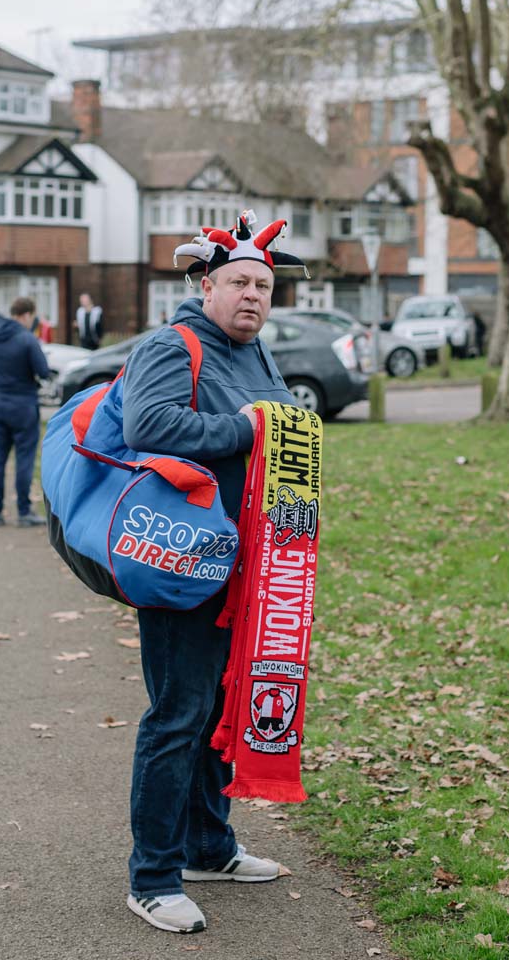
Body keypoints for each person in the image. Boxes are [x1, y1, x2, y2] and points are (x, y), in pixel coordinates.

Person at [120, 212, 305, 934]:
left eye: (263, 285)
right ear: (207, 285)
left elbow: (279, 419)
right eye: (239, 282)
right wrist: (247, 429)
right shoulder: (173, 345)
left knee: (217, 711)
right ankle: (153, 877)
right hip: (185, 560)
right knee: (177, 714)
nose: (253, 295)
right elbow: (149, 426)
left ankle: (208, 847)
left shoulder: (258, 354)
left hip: (249, 564)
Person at [0, 296, 50, 528]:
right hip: (24, 405)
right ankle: (24, 511)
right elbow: (43, 371)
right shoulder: (27, 339)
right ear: (26, 315)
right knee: (24, 460)